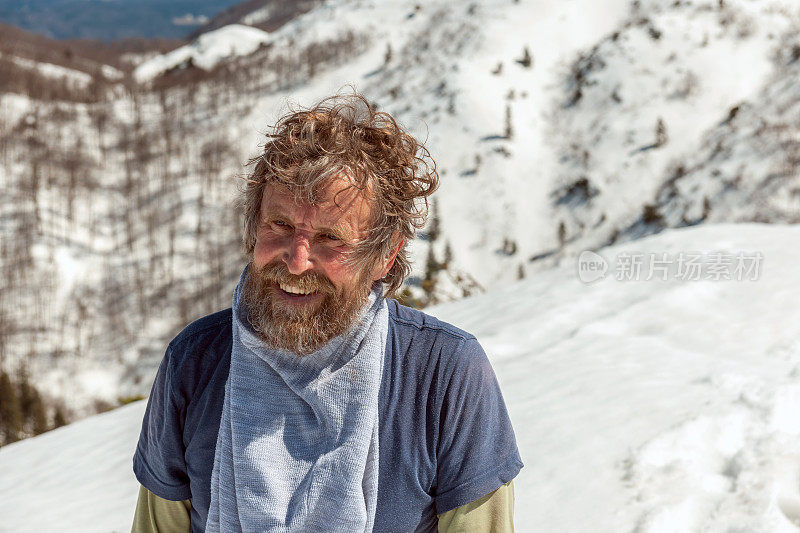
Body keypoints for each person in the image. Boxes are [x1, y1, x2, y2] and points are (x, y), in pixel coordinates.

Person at [132, 93, 523, 532]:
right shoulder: (195, 362)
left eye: (331, 238)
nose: (297, 261)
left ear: (384, 256)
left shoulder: (443, 376)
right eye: (279, 225)